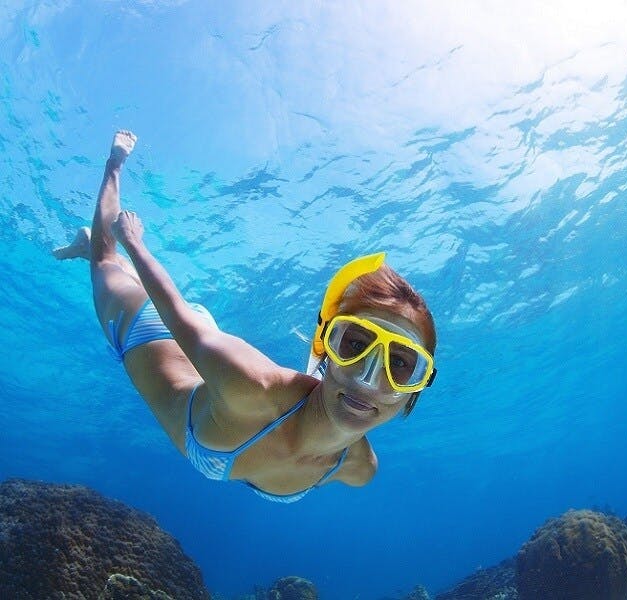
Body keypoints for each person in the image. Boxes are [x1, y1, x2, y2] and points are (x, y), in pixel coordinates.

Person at [54, 130, 437, 503]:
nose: (369, 379)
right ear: (326, 348)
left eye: (401, 364)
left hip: (212, 355)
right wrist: (134, 243)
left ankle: (97, 248)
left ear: (414, 392)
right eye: (354, 344)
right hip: (152, 330)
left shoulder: (359, 469)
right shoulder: (251, 386)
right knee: (106, 260)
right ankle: (114, 169)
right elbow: (175, 314)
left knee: (115, 266)